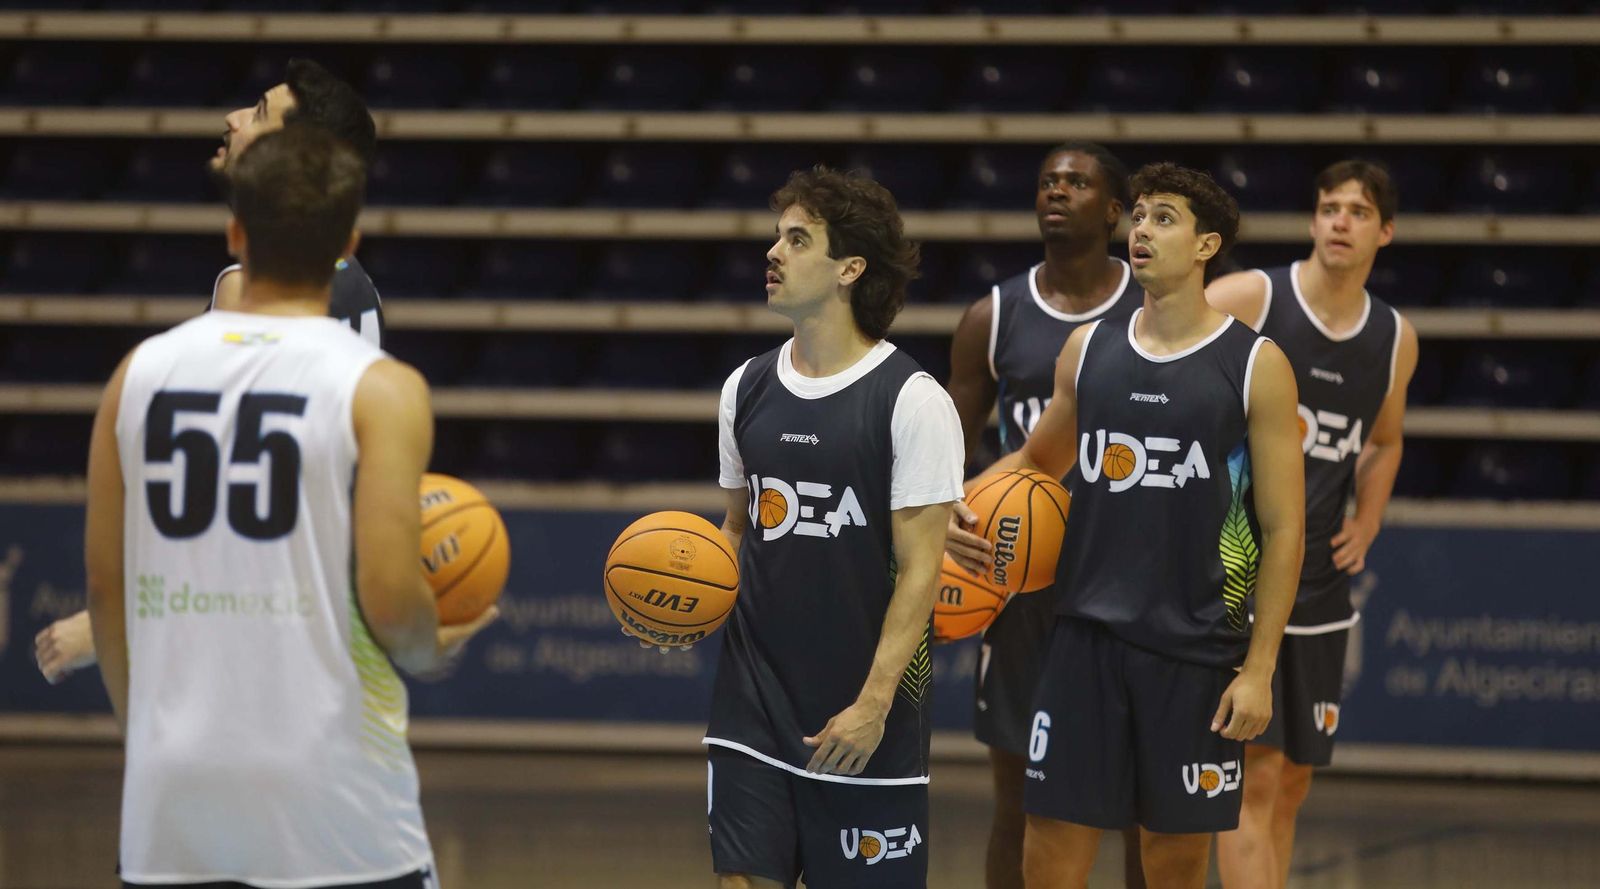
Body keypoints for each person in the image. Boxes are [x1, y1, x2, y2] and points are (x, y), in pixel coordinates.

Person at [85, 125, 494, 889]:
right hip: (334, 798)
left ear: (236, 231)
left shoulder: (136, 374)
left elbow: (106, 587)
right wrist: (429, 640)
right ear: (349, 237)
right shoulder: (382, 387)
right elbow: (389, 598)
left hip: (173, 799)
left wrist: (148, 738)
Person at [949, 162, 1305, 889]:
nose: (1140, 229)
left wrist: (1260, 668)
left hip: (1197, 650)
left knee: (1171, 864)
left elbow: (1283, 528)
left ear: (1207, 245)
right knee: (1048, 852)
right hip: (1082, 641)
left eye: (1163, 218)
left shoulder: (1255, 365)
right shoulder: (1088, 351)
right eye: (1137, 215)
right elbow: (1033, 461)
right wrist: (951, 508)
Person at [37, 57, 383, 684]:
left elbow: (235, 498)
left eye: (256, 113)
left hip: (249, 646)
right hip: (318, 628)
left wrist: (112, 624)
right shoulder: (357, 287)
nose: (231, 118)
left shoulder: (249, 295)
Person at [705, 167, 964, 889]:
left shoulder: (911, 400)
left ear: (850, 267)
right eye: (776, 235)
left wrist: (874, 703)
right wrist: (684, 601)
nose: (774, 252)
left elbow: (922, 568)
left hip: (862, 711)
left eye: (797, 238)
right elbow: (735, 529)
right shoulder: (745, 386)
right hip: (751, 701)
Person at [1207, 160, 1418, 889]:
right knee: (1254, 780)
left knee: (1293, 780)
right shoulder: (1252, 297)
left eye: (1358, 212)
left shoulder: (1394, 337)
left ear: (1384, 232)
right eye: (1329, 207)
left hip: (1323, 585)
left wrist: (1370, 518)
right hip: (1239, 571)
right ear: (1311, 220)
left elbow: (1385, 439)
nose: (1339, 221)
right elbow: (1156, 351)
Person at [944, 140, 1145, 889]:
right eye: (1048, 181)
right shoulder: (991, 316)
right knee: (1020, 797)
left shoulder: (1150, 309)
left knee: (1137, 799)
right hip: (1019, 583)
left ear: (1115, 210)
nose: (1058, 191)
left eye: (1079, 181)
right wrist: (951, 527)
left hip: (1122, 575)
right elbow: (948, 460)